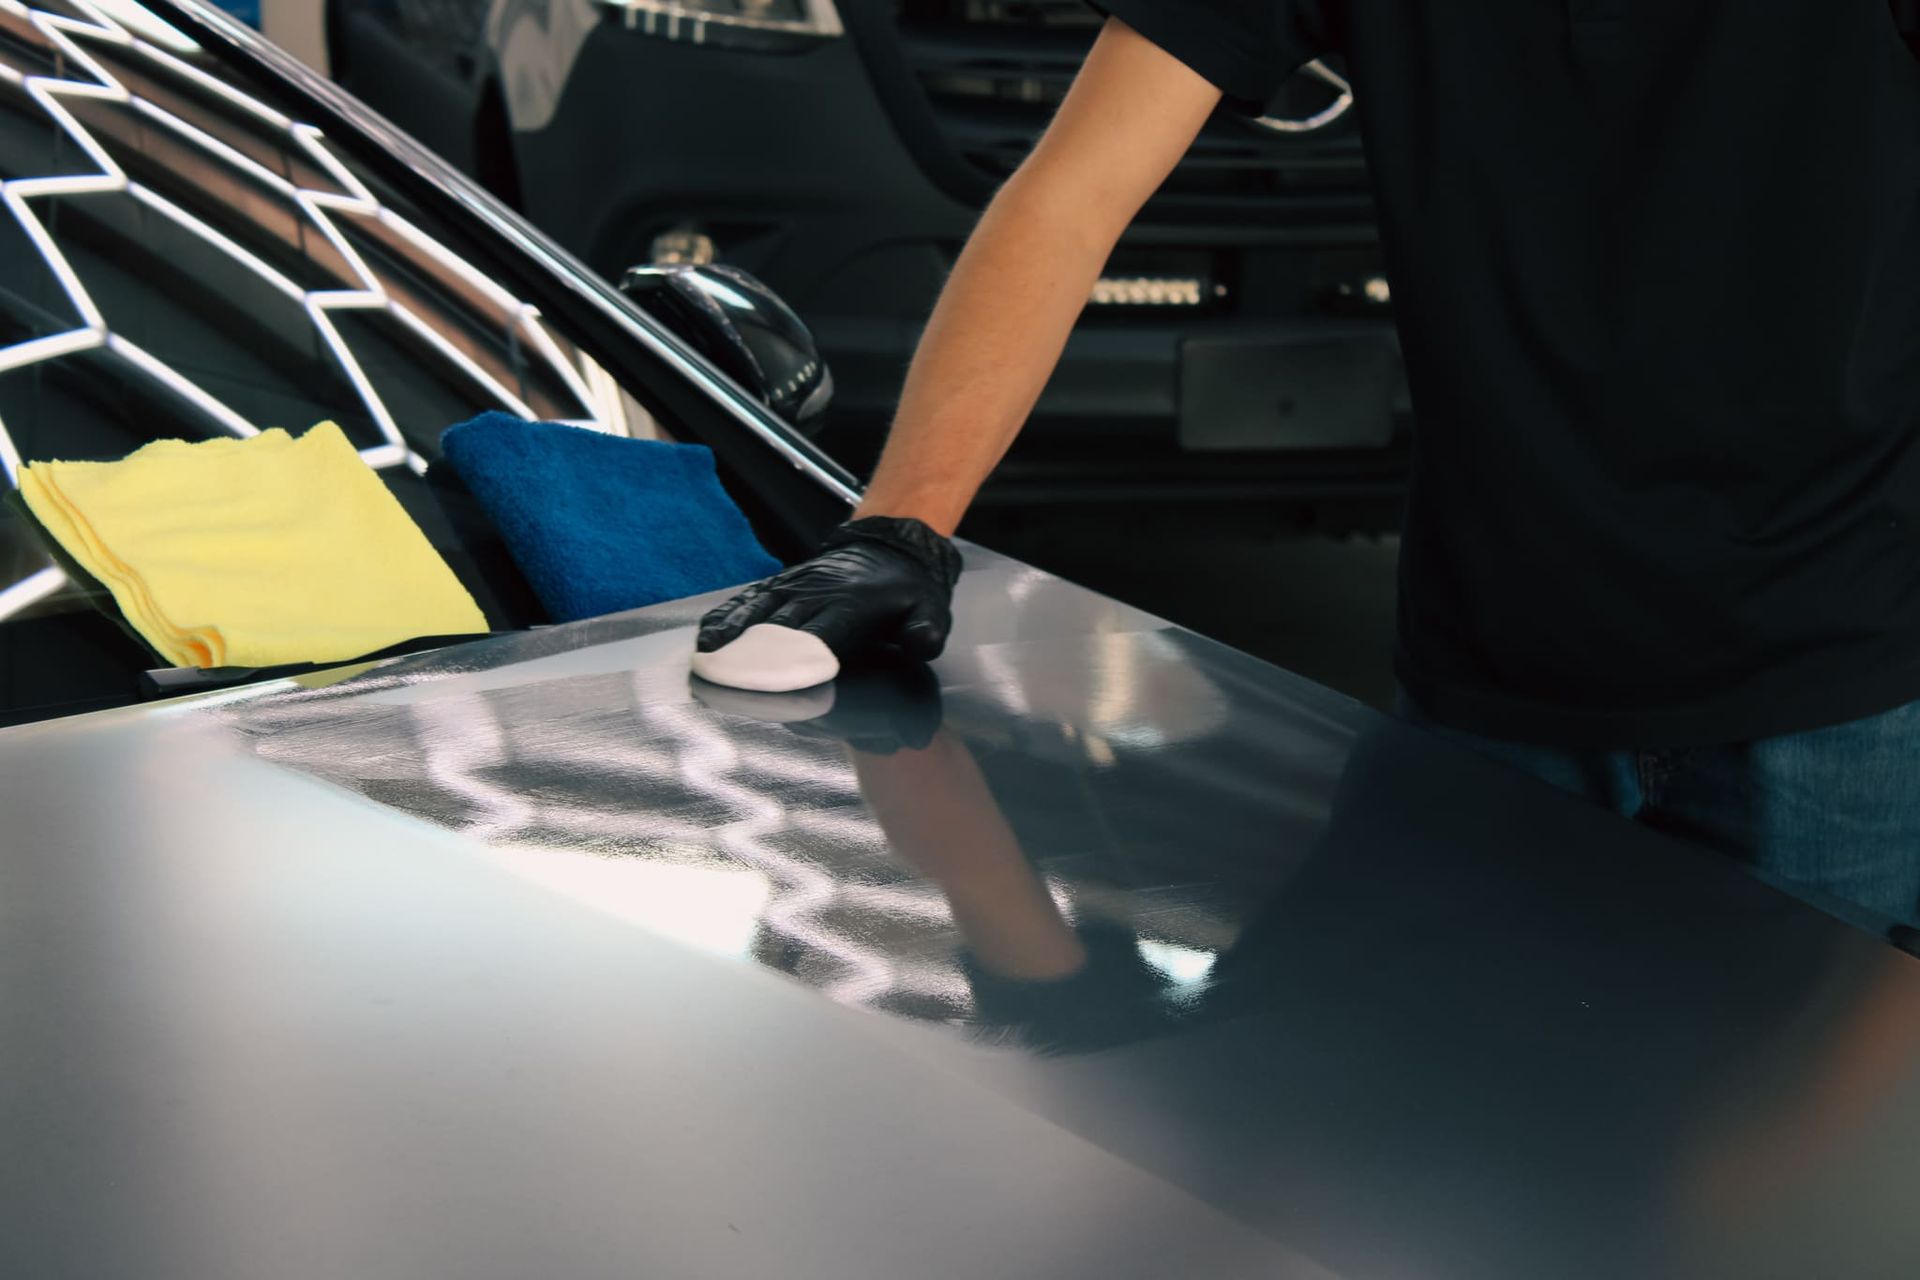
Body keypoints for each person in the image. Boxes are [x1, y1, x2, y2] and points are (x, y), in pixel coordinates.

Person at [696, 4, 1920, 937]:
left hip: (1837, 697)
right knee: (1447, 1188)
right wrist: (899, 527)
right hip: (1492, 693)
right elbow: (1072, 195)